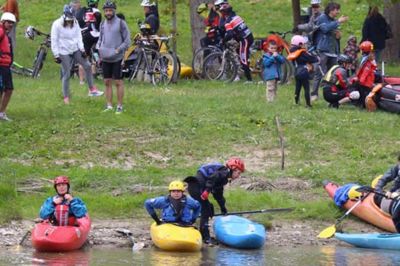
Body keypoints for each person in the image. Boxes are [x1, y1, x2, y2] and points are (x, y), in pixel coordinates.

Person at [184, 157, 245, 244]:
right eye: (238, 173)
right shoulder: (224, 172)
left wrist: (223, 207)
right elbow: (213, 177)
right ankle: (205, 237)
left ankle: (202, 233)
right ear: (233, 169)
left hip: (198, 187)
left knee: (208, 208)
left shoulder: (224, 177)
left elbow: (218, 194)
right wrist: (207, 191)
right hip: (195, 186)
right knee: (206, 209)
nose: (238, 176)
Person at [51, 5, 102, 104]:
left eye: (71, 19)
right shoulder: (57, 24)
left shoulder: (75, 22)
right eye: (68, 20)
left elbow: (78, 36)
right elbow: (54, 40)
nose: (70, 22)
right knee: (67, 73)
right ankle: (66, 97)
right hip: (63, 51)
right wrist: (56, 55)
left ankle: (92, 89)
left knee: (87, 65)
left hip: (75, 48)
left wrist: (82, 50)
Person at [97, 1, 131, 114]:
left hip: (117, 58)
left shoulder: (121, 23)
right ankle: (109, 105)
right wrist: (99, 48)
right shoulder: (102, 24)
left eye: (110, 10)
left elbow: (127, 41)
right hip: (105, 57)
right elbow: (100, 39)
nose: (108, 13)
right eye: (106, 11)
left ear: (114, 11)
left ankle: (120, 106)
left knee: (118, 82)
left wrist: (118, 50)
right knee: (107, 81)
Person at [311, 2, 348, 102]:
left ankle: (331, 94)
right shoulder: (322, 17)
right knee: (319, 73)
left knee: (333, 75)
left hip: (333, 52)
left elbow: (334, 35)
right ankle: (313, 94)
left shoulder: (334, 20)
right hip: (323, 50)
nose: (338, 12)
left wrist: (338, 36)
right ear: (331, 9)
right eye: (337, 10)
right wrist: (338, 21)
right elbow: (325, 29)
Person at [217, 2, 253, 83]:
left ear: (224, 12)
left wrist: (223, 40)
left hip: (244, 40)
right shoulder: (236, 16)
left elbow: (229, 34)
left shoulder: (228, 22)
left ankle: (249, 80)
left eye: (221, 12)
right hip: (249, 36)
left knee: (243, 60)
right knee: (240, 55)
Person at [75, 0, 102, 85]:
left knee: (83, 57)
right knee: (96, 53)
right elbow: (98, 25)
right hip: (95, 35)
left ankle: (81, 80)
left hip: (84, 35)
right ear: (96, 4)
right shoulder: (97, 11)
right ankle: (96, 71)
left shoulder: (82, 11)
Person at [287, 35, 318, 107]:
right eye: (303, 44)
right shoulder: (302, 52)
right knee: (306, 88)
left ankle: (296, 102)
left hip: (296, 72)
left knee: (298, 88)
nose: (304, 45)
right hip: (303, 72)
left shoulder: (292, 52)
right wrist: (316, 58)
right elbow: (311, 59)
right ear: (300, 44)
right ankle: (308, 104)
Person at [0, 12, 15, 122]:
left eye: (12, 23)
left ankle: (1, 112)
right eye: (8, 22)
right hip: (1, 65)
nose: (10, 25)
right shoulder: (0, 32)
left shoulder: (6, 35)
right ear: (3, 22)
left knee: (8, 89)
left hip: (6, 66)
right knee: (3, 89)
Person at [352, 40, 377, 107]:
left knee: (364, 94)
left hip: (366, 82)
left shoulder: (368, 60)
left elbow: (366, 72)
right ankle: (360, 103)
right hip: (365, 81)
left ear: (364, 50)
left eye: (361, 49)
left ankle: (364, 105)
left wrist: (360, 80)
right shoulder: (366, 58)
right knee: (361, 92)